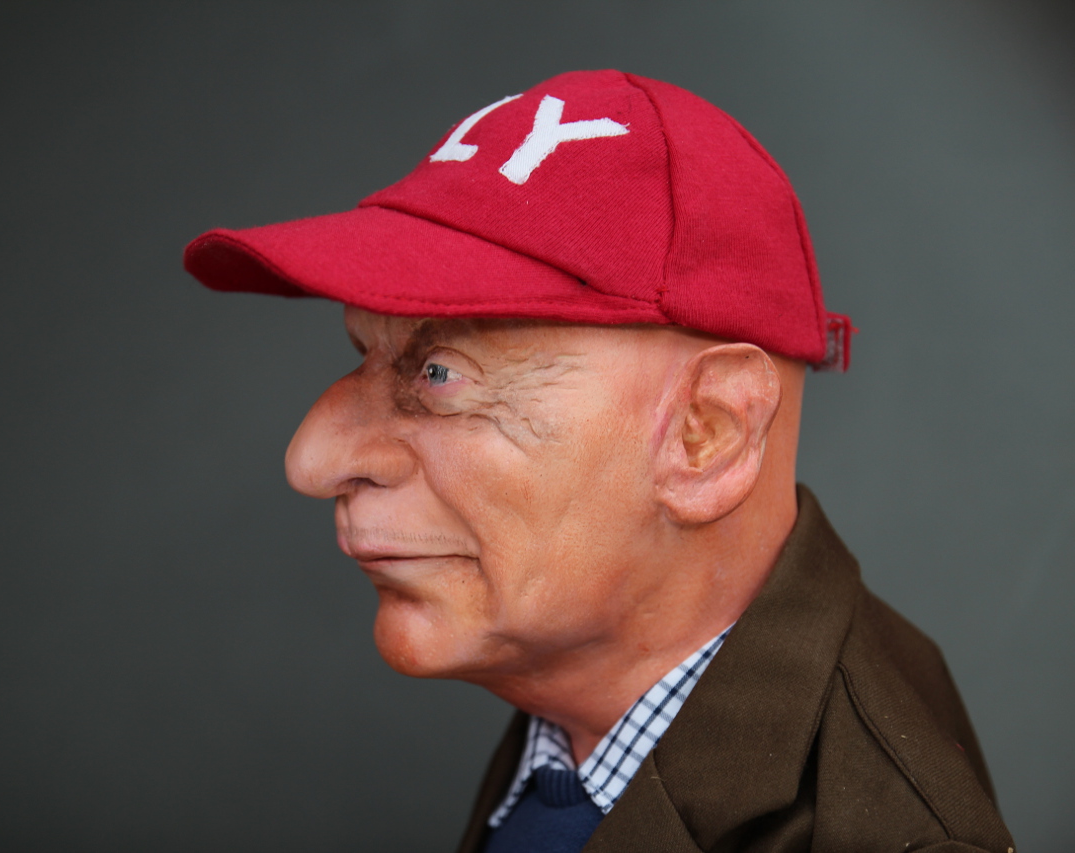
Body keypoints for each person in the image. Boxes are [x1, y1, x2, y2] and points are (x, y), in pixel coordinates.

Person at [183, 70, 1013, 852]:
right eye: (362, 352)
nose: (312, 457)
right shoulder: (588, 702)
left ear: (706, 434)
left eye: (439, 374)